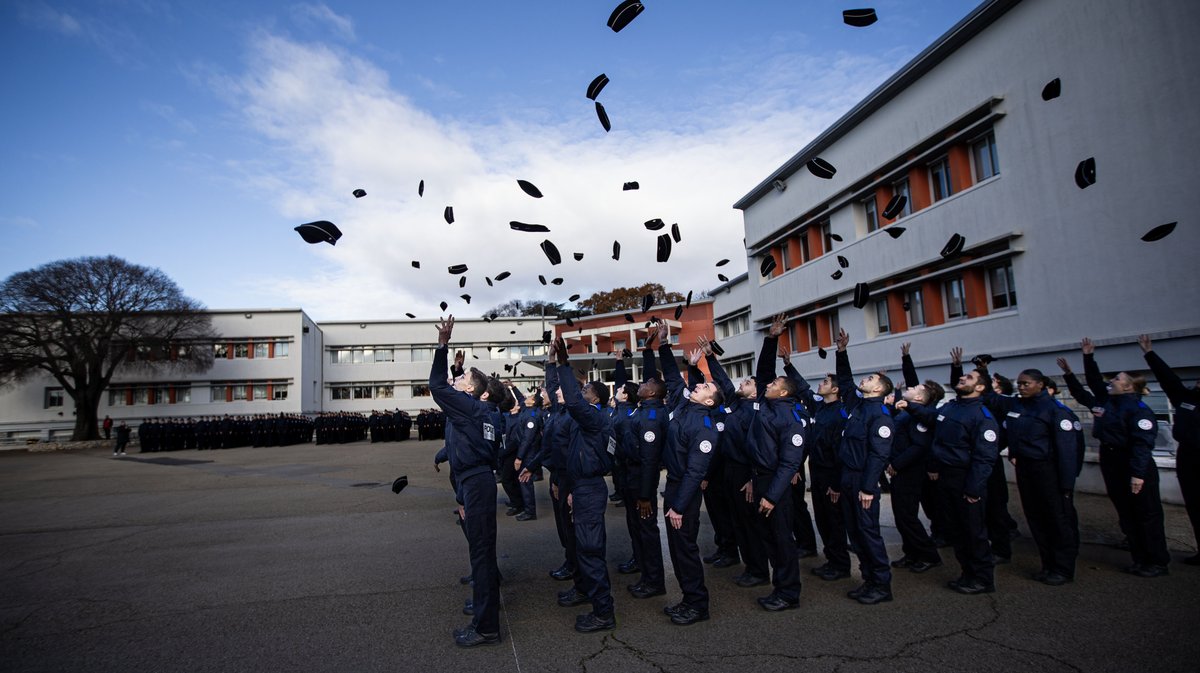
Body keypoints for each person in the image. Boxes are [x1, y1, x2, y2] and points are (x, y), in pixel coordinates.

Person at [429, 316, 508, 647]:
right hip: (477, 481)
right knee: (483, 551)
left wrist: (442, 347)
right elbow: (450, 390)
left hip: (476, 483)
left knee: (480, 552)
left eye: (462, 380)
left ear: (473, 391)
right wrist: (458, 368)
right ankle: (483, 609)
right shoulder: (478, 411)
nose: (456, 382)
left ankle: (486, 626)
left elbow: (436, 386)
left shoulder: (471, 409)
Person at [1059, 338, 1168, 577]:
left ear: (1129, 387)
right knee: (1127, 513)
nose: (1112, 382)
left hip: (1133, 463)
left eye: (1118, 379)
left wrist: (1138, 474)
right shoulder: (1107, 403)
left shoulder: (1139, 411)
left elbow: (1141, 445)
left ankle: (1157, 561)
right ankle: (1140, 559)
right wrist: (1084, 361)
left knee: (1146, 513)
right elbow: (1089, 387)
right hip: (1111, 460)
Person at [900, 364, 1000, 595]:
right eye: (964, 375)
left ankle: (983, 579)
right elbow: (931, 416)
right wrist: (911, 406)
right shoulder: (953, 408)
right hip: (946, 478)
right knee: (956, 531)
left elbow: (985, 458)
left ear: (980, 387)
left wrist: (974, 489)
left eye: (970, 377)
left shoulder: (982, 416)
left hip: (966, 479)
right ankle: (967, 573)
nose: (963, 378)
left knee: (973, 532)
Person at [977, 364, 1082, 585]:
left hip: (1048, 471)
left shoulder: (1056, 411)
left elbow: (1067, 451)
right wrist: (983, 372)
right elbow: (990, 398)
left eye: (1026, 384)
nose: (1021, 387)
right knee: (1035, 518)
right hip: (1025, 469)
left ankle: (1063, 568)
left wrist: (1066, 485)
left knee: (1056, 520)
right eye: (1019, 384)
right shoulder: (1016, 404)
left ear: (1040, 385)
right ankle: (1048, 564)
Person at [548, 336, 617, 633]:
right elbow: (559, 394)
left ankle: (604, 613)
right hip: (582, 487)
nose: (578, 391)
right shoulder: (585, 419)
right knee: (584, 550)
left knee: (590, 552)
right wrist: (553, 365)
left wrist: (564, 364)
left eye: (585, 389)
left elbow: (571, 399)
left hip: (589, 489)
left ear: (595, 400)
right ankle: (595, 600)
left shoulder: (596, 420)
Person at [655, 327, 721, 625]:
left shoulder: (705, 427)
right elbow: (672, 378)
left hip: (685, 492)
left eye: (705, 387)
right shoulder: (685, 407)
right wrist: (665, 345)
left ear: (709, 401)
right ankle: (686, 598)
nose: (699, 386)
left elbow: (696, 472)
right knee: (678, 549)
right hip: (673, 485)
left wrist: (679, 506)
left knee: (686, 549)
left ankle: (698, 604)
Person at [745, 315, 807, 612]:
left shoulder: (790, 417)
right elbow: (763, 370)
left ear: (784, 391)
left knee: (782, 539)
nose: (768, 383)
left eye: (775, 383)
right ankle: (778, 588)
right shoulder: (766, 403)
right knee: (768, 537)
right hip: (760, 478)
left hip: (775, 484)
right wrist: (771, 339)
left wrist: (771, 495)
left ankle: (789, 593)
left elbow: (790, 462)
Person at [834, 329, 896, 605]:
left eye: (871, 378)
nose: (865, 379)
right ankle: (868, 579)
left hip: (863, 481)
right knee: (855, 534)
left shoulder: (880, 416)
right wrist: (841, 352)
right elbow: (846, 382)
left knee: (868, 534)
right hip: (848, 477)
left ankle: (881, 586)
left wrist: (869, 488)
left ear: (880, 389)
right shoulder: (859, 406)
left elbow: (878, 455)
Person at [780, 349, 851, 581]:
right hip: (818, 473)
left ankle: (840, 565)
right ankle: (831, 560)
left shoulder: (840, 414)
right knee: (822, 518)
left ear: (836, 389)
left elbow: (842, 453)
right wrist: (788, 365)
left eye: (826, 382)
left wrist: (836, 484)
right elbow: (802, 388)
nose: (821, 384)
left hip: (832, 477)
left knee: (834, 521)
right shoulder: (820, 408)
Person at [1139, 334, 1200, 565]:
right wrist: (1150, 355)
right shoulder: (1186, 398)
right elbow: (1169, 380)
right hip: (1189, 456)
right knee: (1194, 505)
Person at [888, 342, 944, 575]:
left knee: (908, 516)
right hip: (900, 471)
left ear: (920, 398)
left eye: (916, 388)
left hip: (909, 472)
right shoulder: (907, 413)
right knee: (902, 516)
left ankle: (928, 555)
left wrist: (895, 464)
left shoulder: (921, 416)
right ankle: (911, 553)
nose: (911, 388)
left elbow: (918, 447)